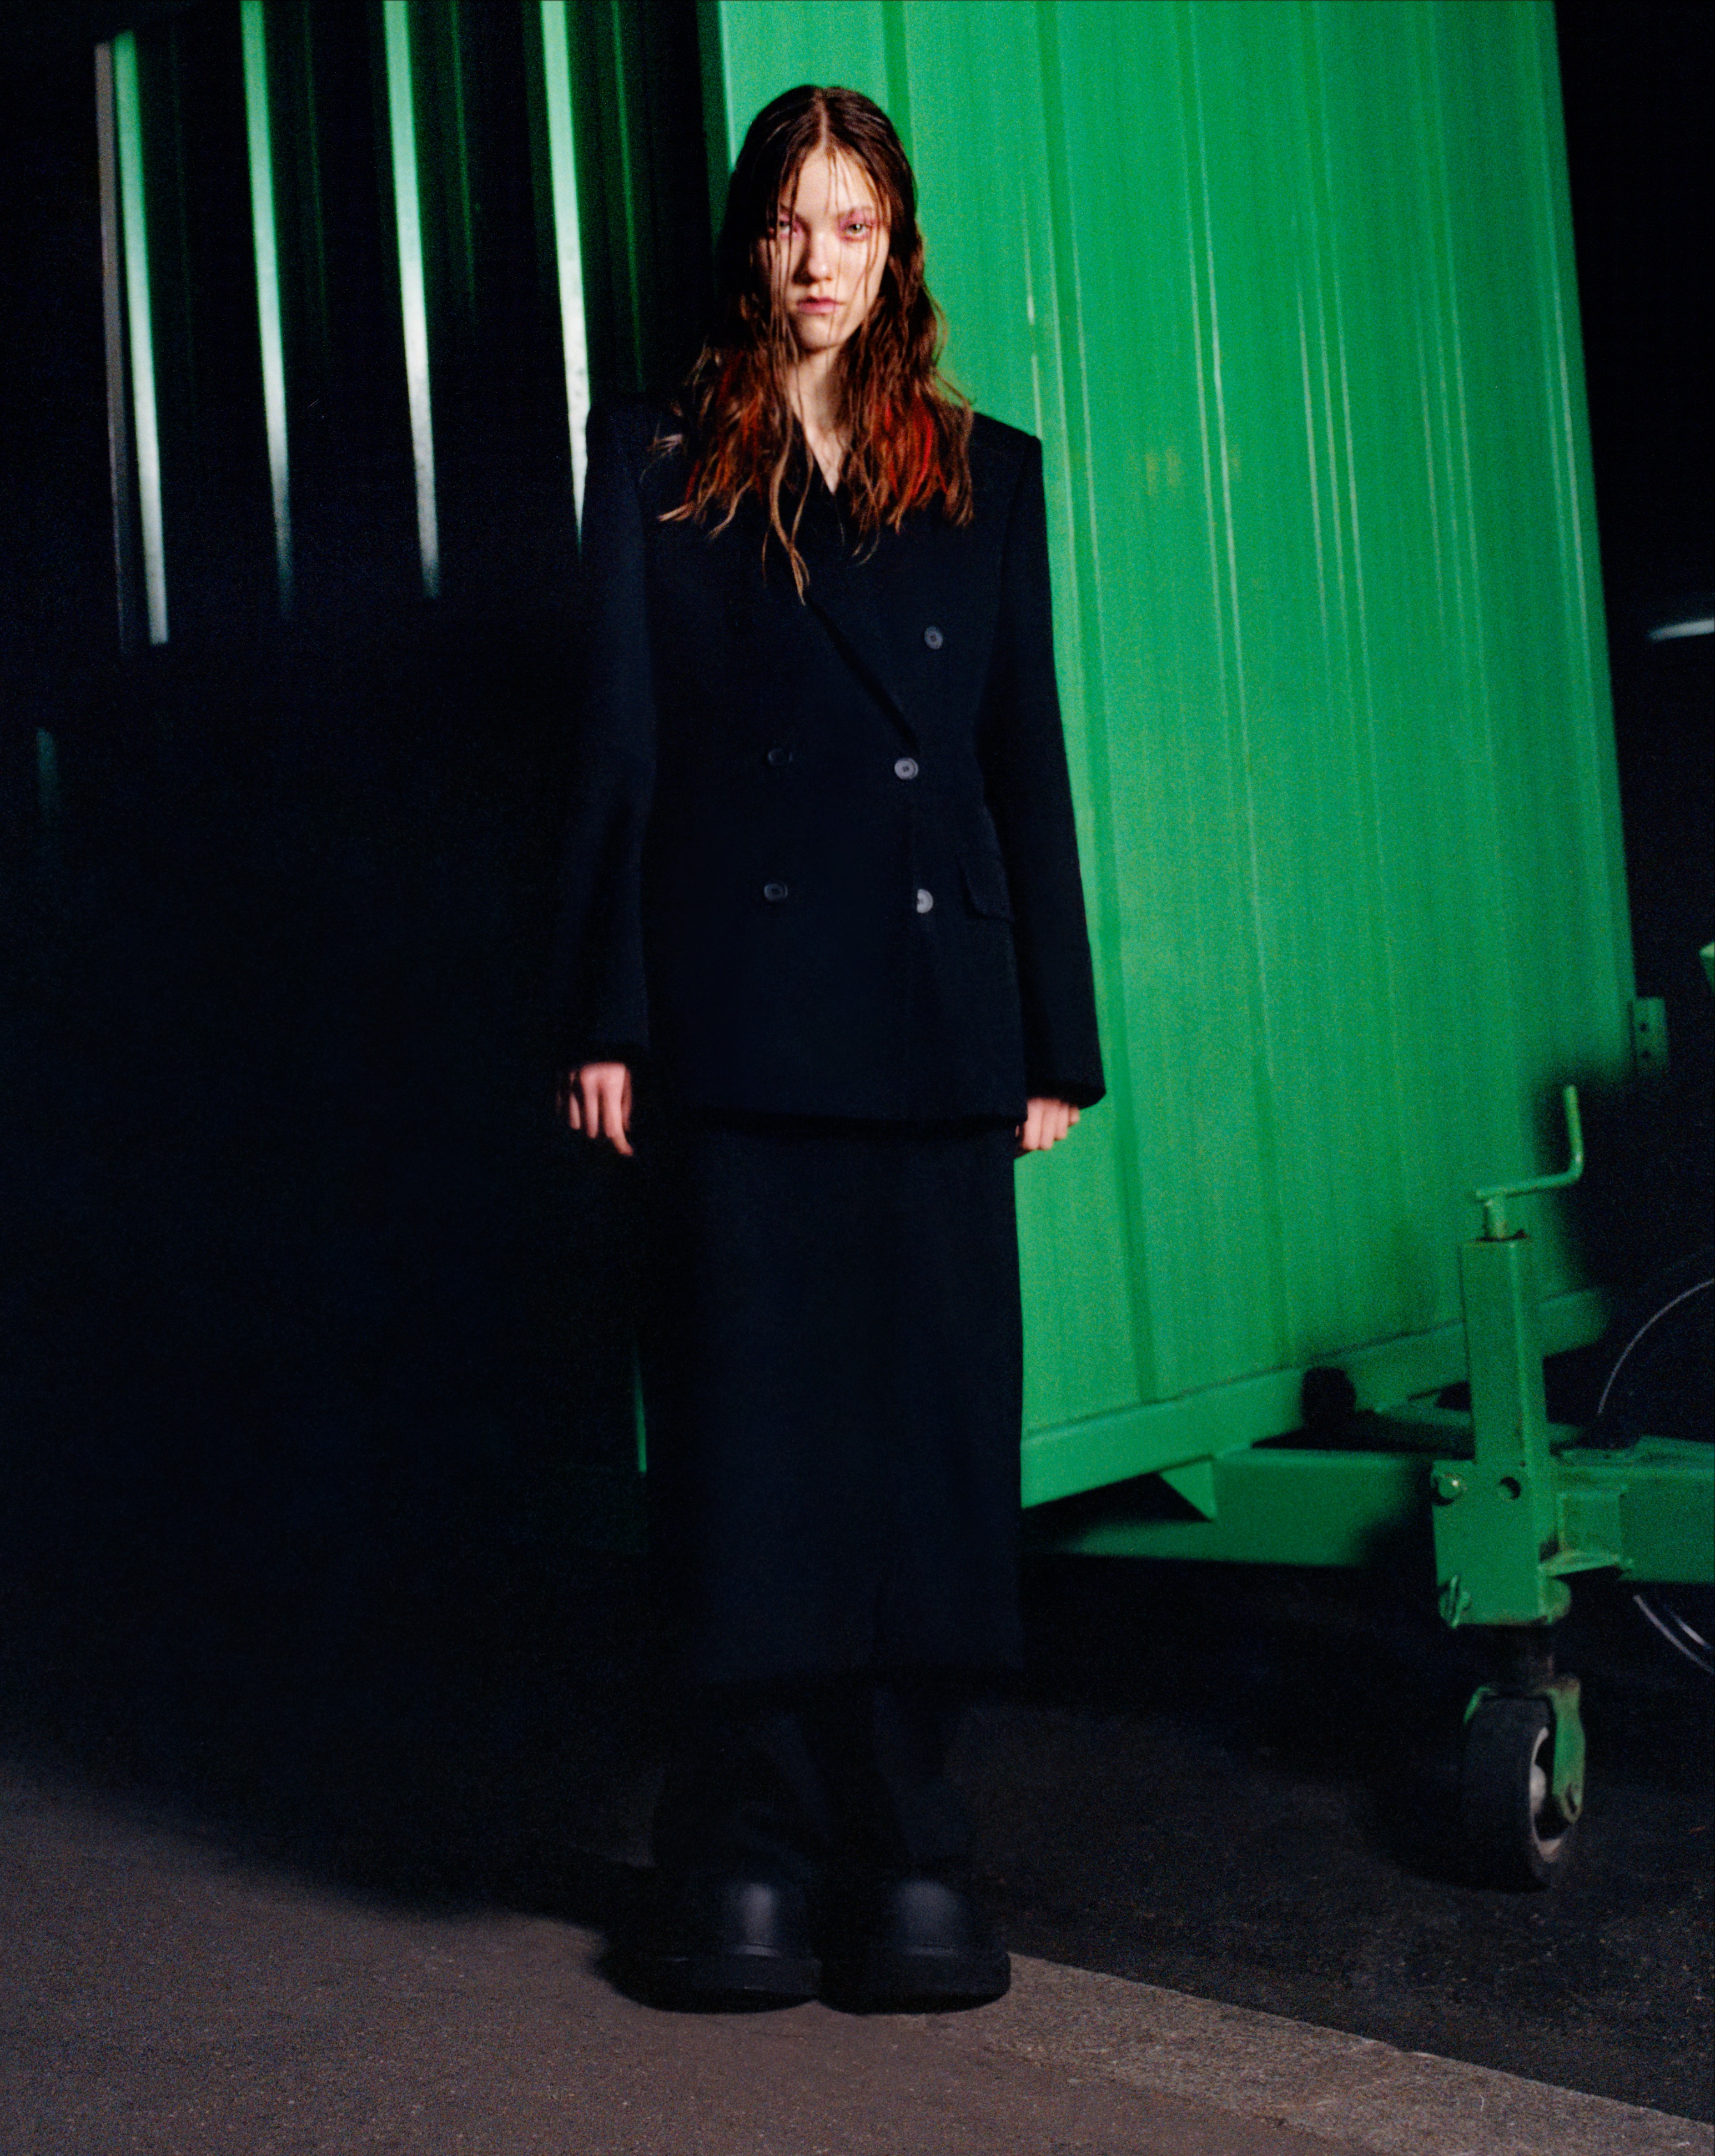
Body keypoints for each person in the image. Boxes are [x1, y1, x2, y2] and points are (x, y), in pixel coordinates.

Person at [550, 83, 1104, 2009]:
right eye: (790, 221)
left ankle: (915, 1851)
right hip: (734, 1023)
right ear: (751, 240)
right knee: (750, 1447)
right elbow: (618, 753)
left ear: (895, 250)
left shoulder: (988, 473)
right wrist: (605, 1013)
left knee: (926, 1451)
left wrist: (1054, 1040)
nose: (817, 260)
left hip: (940, 1022)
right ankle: (746, 1853)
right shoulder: (655, 461)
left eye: (851, 225)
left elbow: (1021, 764)